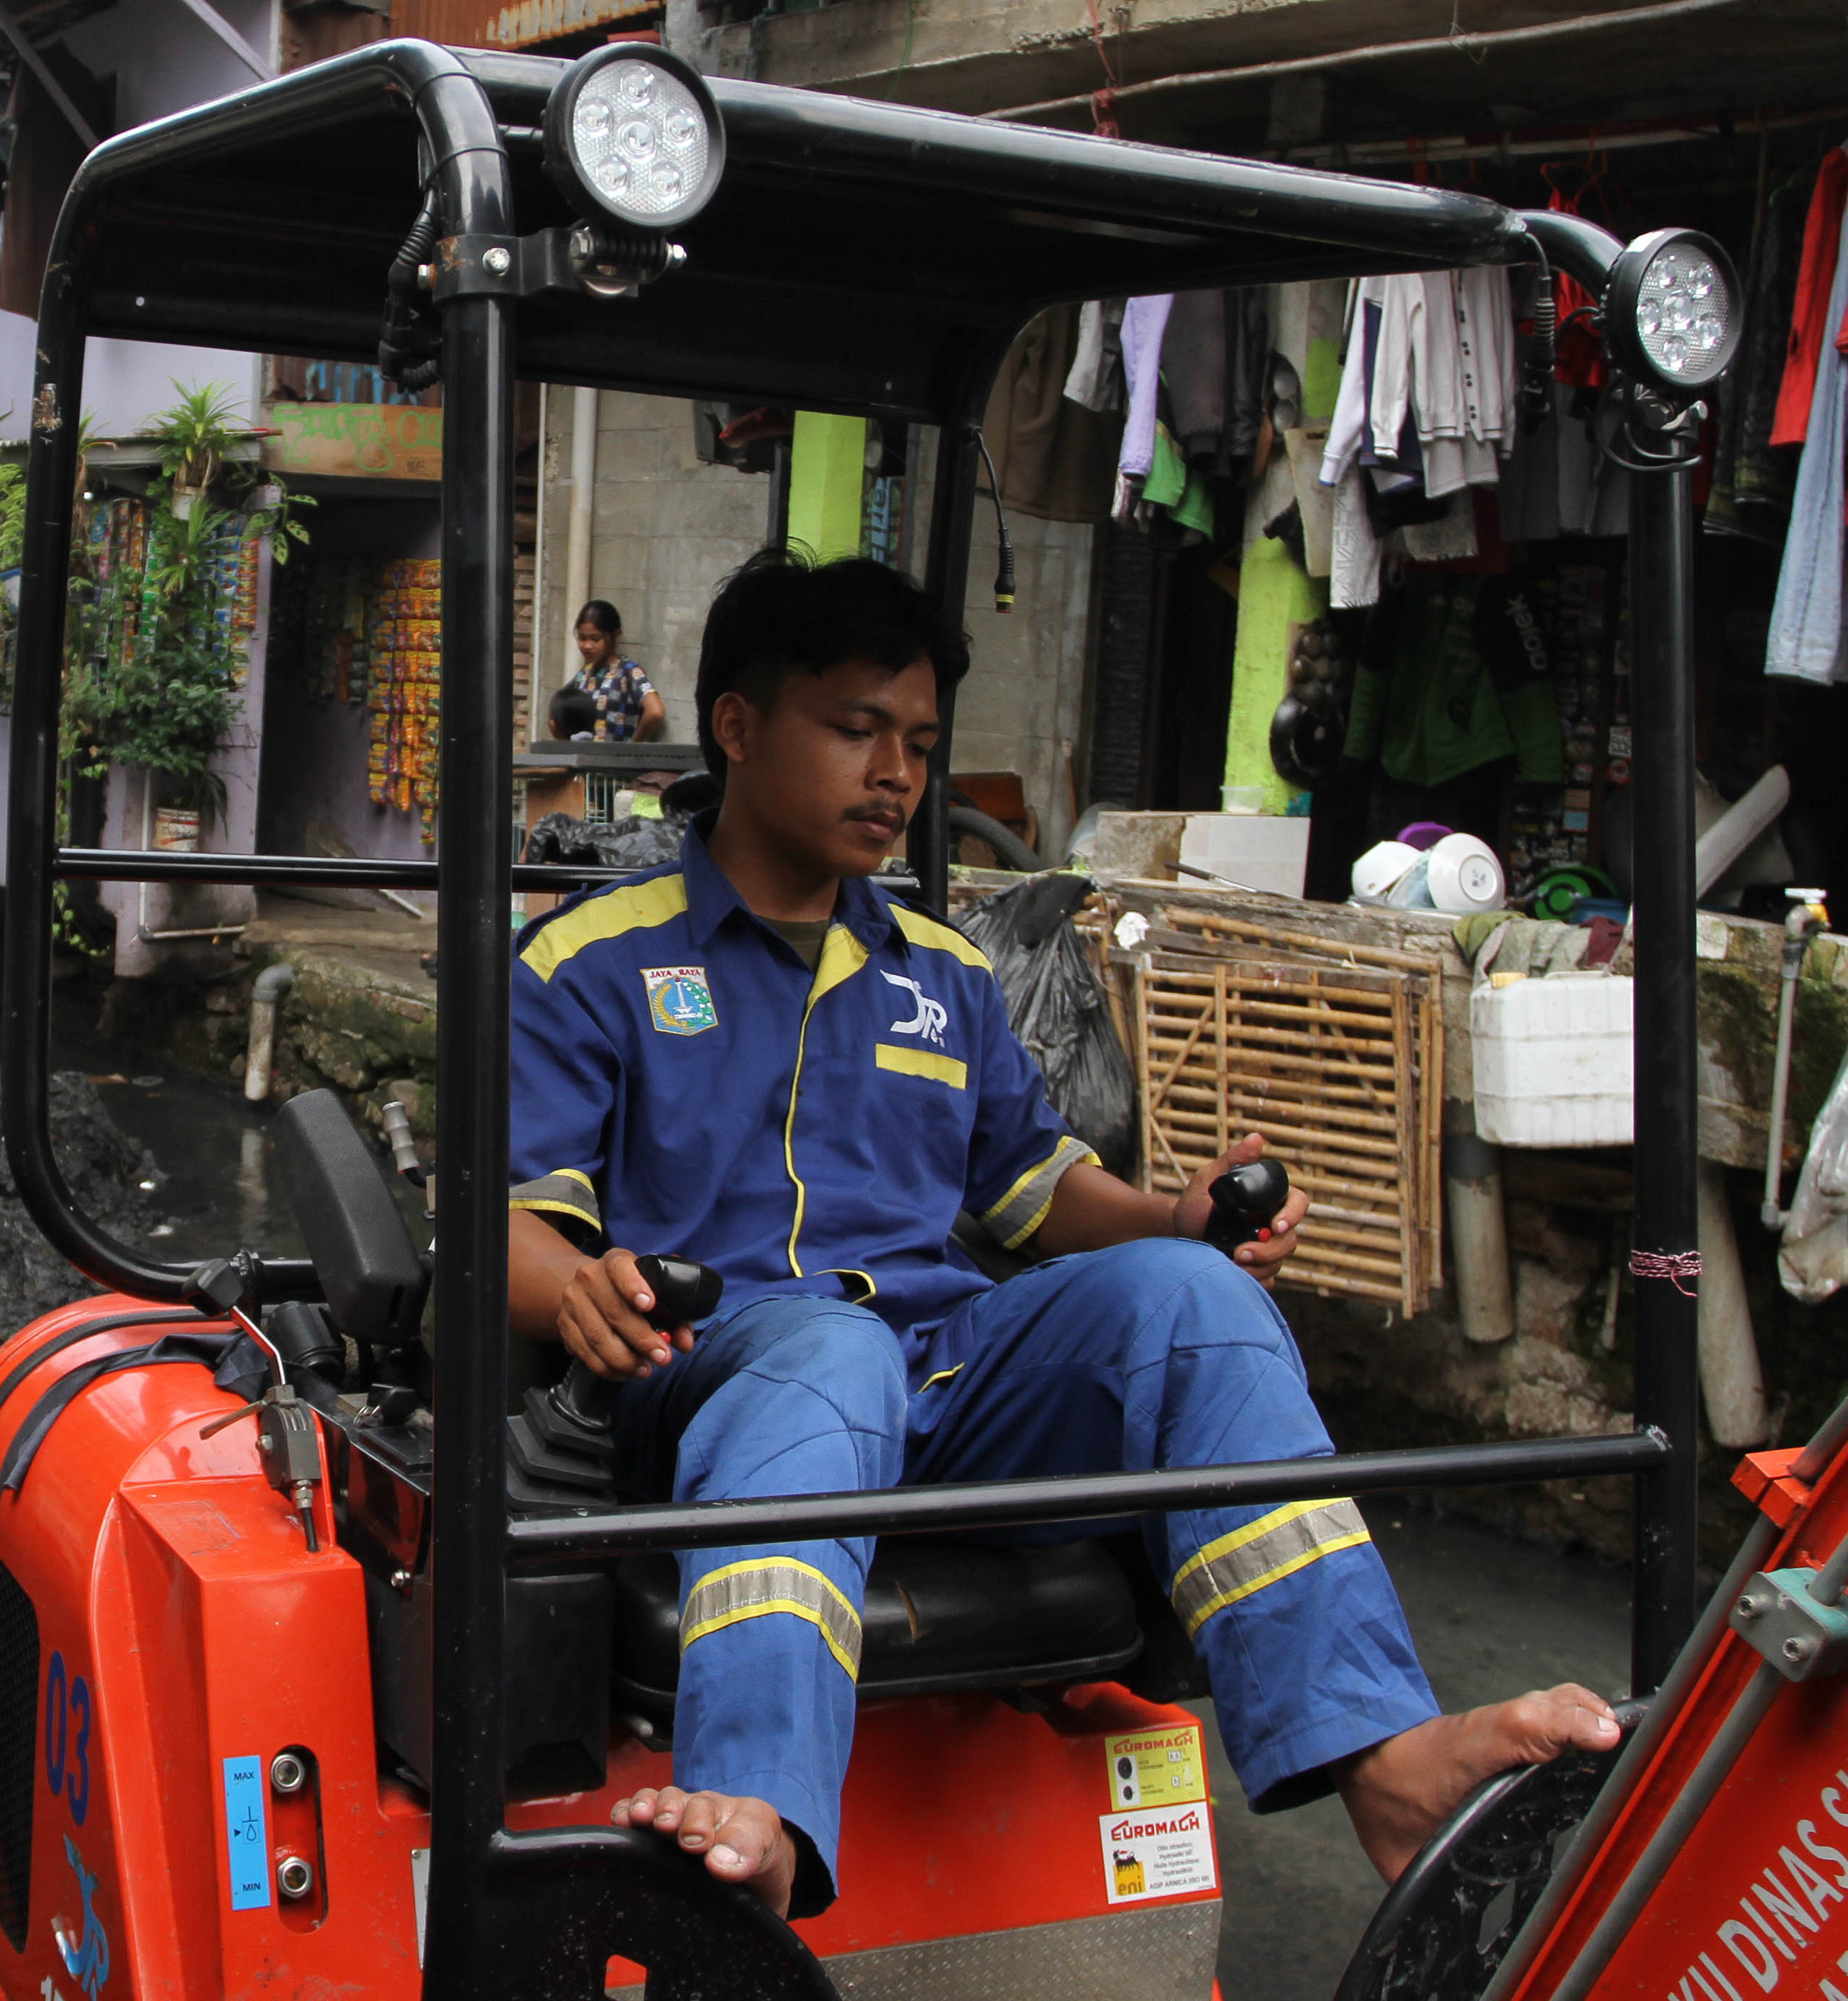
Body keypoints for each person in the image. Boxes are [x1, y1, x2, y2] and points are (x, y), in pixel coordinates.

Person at [511, 546, 1617, 1921]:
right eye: (854, 729)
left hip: (940, 1374)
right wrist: (582, 1289)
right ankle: (757, 1804)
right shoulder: (589, 960)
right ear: (736, 726)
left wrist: (1176, 1216)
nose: (895, 773)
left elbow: (1034, 1184)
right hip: (720, 1373)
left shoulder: (945, 968)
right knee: (824, 1347)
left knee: (1186, 1298)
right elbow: (513, 1228)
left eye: (916, 741)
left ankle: (1385, 1759)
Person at [557, 598, 666, 741]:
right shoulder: (585, 674)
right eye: (582, 638)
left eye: (596, 639)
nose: (588, 646)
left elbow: (655, 712)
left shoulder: (628, 671)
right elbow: (557, 708)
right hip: (586, 760)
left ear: (616, 636)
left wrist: (633, 748)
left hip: (615, 762)